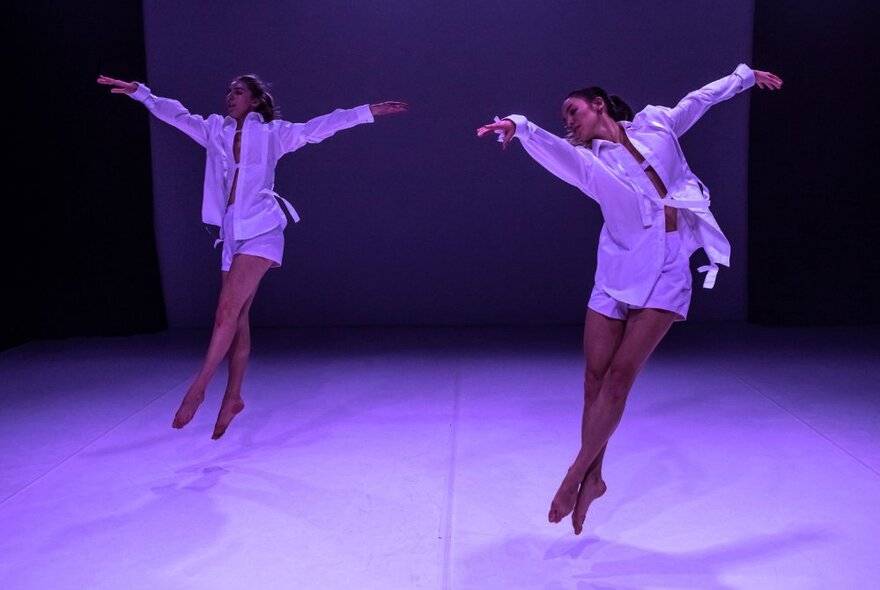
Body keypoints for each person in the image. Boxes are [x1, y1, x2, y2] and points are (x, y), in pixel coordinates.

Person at [477, 64, 782, 534]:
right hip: (616, 270)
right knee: (593, 380)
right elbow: (556, 151)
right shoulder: (591, 163)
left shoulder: (658, 123)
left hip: (668, 269)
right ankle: (595, 478)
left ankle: (575, 474)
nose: (569, 121)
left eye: (572, 111)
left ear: (598, 103)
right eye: (564, 118)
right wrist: (520, 125)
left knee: (620, 378)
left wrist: (743, 78)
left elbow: (698, 99)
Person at [98, 73, 407, 439]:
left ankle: (198, 389)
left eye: (238, 91)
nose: (230, 96)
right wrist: (141, 93)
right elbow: (177, 115)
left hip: (262, 230)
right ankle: (233, 397)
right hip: (230, 235)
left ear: (256, 101)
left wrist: (367, 111)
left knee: (225, 312)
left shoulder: (274, 134)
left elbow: (321, 126)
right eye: (228, 90)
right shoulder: (216, 130)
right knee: (239, 317)